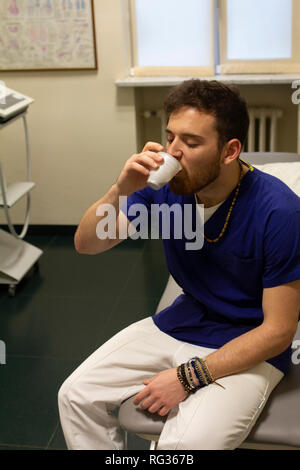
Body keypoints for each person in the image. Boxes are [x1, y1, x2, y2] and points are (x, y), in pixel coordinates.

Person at [58, 80, 300, 450]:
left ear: (230, 150)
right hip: (185, 321)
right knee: (75, 395)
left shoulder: (279, 211)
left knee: (186, 445)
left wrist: (188, 377)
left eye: (191, 142)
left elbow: (279, 332)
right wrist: (119, 190)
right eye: (170, 138)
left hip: (249, 343)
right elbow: (87, 244)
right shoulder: (165, 186)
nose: (173, 152)